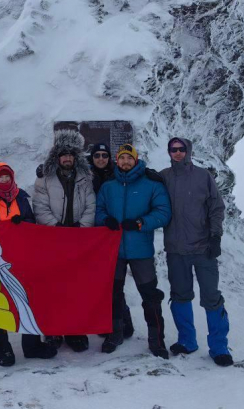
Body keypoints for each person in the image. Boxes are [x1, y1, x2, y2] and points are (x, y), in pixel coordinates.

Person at [0, 163, 58, 366]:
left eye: (6, 177)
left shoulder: (21, 198)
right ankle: (0, 347)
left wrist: (23, 223)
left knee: (27, 299)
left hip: (21, 258)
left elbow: (32, 223)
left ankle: (32, 345)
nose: (3, 181)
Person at [160, 137, 233, 367]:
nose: (178, 153)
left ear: (188, 151)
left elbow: (216, 208)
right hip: (176, 250)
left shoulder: (203, 176)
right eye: (174, 150)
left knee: (211, 297)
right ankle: (187, 341)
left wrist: (215, 236)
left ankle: (219, 347)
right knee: (180, 295)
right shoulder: (164, 177)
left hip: (203, 248)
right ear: (169, 152)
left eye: (182, 149)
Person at [95, 143, 172, 358]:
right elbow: (98, 210)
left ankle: (157, 341)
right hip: (114, 251)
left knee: (150, 296)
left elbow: (163, 212)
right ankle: (115, 334)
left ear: (136, 160)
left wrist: (141, 223)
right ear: (117, 161)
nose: (126, 162)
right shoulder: (109, 186)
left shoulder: (151, 185)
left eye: (130, 158)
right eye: (122, 158)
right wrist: (105, 219)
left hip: (141, 251)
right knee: (113, 294)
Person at [34, 129, 97, 352]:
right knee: (53, 288)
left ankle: (75, 330)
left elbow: (90, 205)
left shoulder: (85, 178)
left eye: (71, 154)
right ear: (57, 157)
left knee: (76, 287)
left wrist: (82, 227)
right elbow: (39, 206)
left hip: (78, 240)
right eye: (63, 154)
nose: (67, 158)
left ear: (76, 157)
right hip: (53, 240)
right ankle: (52, 330)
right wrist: (56, 227)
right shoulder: (45, 179)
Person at [89, 141, 136, 340]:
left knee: (113, 282)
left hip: (111, 235)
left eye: (104, 155)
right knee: (96, 282)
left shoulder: (117, 175)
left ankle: (123, 321)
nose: (101, 159)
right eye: (97, 155)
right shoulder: (85, 175)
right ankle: (102, 320)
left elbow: (134, 173)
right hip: (91, 234)